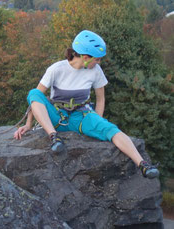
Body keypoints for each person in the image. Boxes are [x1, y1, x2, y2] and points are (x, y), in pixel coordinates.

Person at [13, 30, 159, 179]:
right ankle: (54, 137)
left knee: (111, 130)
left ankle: (142, 164)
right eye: (97, 59)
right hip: (57, 117)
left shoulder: (96, 71)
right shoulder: (56, 69)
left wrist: (97, 120)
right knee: (33, 92)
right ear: (85, 57)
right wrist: (28, 124)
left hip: (81, 117)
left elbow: (101, 99)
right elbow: (35, 98)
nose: (99, 62)